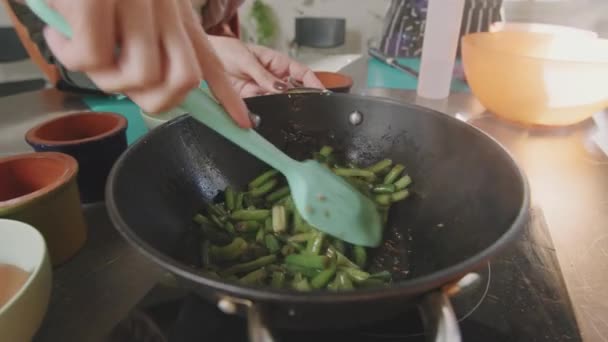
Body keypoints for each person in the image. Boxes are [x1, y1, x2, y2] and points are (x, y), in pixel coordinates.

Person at [3, 0, 324, 128]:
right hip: (95, 98)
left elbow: (211, 16)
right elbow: (63, 45)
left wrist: (214, 49)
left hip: (197, 82)